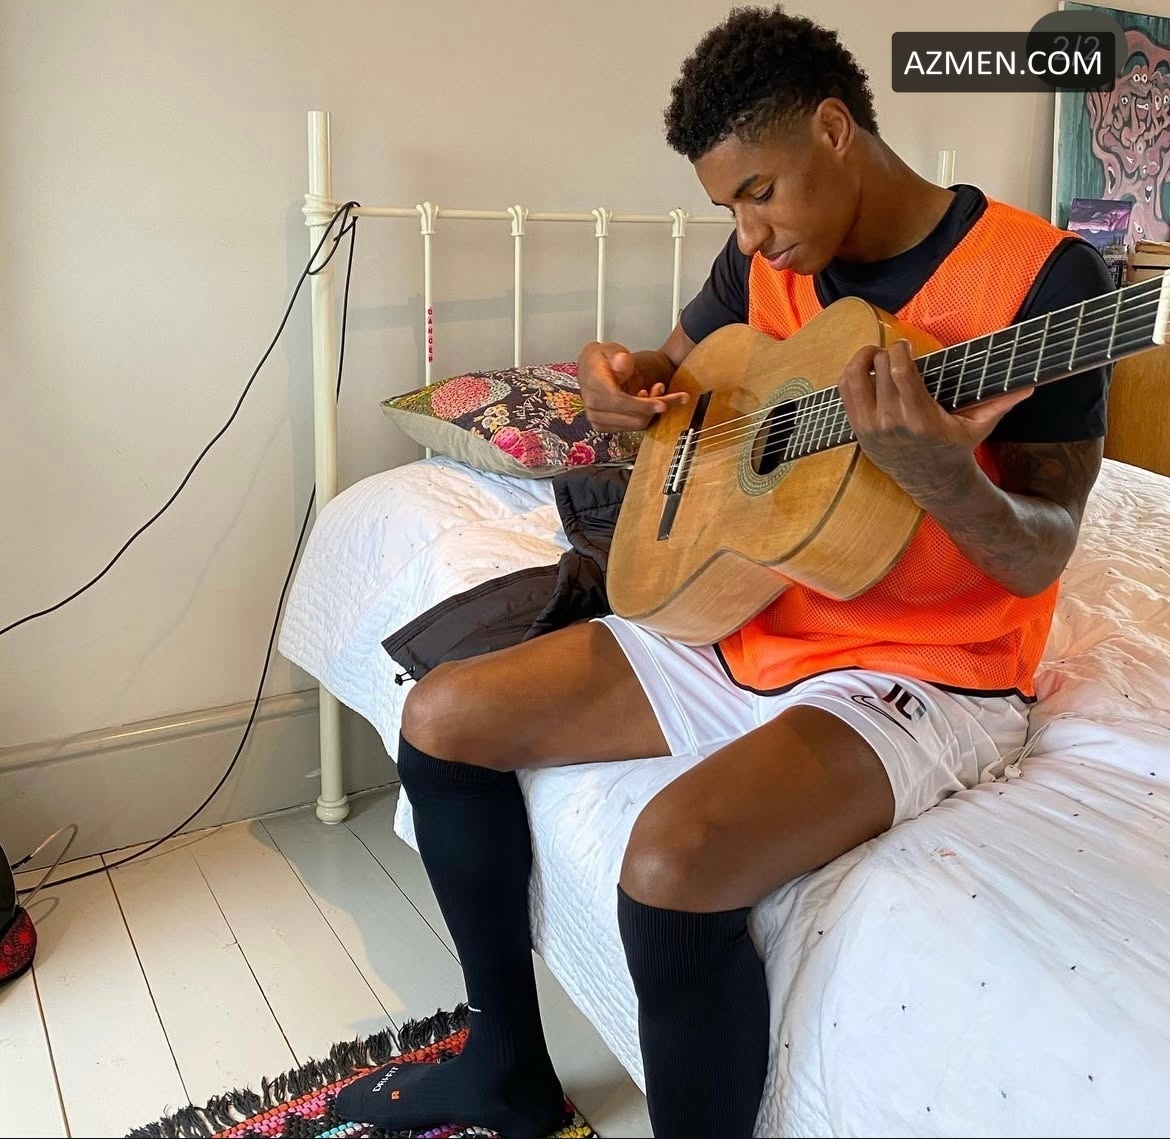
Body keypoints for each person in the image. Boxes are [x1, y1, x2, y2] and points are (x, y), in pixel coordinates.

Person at [336, 6, 1113, 1137]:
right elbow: (686, 381)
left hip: (927, 667)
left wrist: (945, 478)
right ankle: (506, 1072)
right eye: (728, 209)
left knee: (671, 857)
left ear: (835, 128)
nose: (750, 236)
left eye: (760, 192)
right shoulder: (762, 265)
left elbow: (1044, 544)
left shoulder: (1045, 279)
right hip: (747, 611)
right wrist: (619, 378)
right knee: (443, 716)